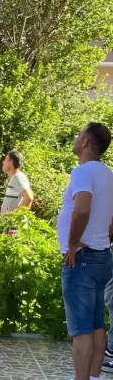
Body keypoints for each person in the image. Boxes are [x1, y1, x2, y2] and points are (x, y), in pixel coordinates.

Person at [57, 122, 113, 380]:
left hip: (82, 259)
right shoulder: (108, 174)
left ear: (86, 142)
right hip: (102, 257)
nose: (76, 138)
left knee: (81, 329)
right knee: (96, 323)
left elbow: (82, 208)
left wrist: (72, 243)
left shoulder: (82, 171)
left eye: (79, 134)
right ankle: (93, 377)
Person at [0, 150, 34, 216]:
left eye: (5, 160)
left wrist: (15, 216)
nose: (3, 162)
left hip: (12, 222)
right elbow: (30, 196)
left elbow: (29, 198)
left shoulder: (17, 178)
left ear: (11, 163)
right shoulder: (18, 177)